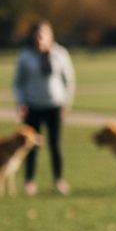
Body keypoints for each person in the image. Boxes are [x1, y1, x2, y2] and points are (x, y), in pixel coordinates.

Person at [11, 20, 76, 196]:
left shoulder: (60, 54)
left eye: (43, 35)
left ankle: (59, 181)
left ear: (50, 36)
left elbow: (68, 81)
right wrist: (21, 102)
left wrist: (65, 103)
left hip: (54, 106)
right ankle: (29, 182)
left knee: (56, 146)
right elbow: (18, 83)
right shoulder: (25, 56)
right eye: (36, 35)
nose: (39, 39)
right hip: (32, 107)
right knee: (30, 146)